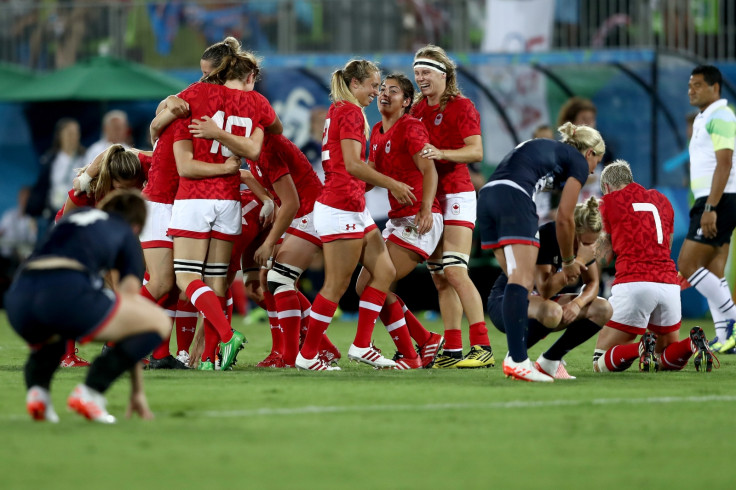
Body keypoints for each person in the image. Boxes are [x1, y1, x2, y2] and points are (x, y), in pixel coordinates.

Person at [5, 190, 170, 423]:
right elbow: (132, 309)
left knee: (55, 331)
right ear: (136, 226)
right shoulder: (126, 232)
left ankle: (38, 394)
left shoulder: (78, 216)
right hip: (65, 290)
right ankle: (91, 392)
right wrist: (137, 391)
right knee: (158, 322)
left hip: (18, 297)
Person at [295, 59, 414, 371]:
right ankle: (307, 356)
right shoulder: (348, 111)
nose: (377, 91)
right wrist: (392, 183)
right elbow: (351, 164)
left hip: (352, 205)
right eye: (374, 85)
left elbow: (350, 167)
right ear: (355, 84)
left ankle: (362, 345)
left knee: (385, 272)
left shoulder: (343, 110)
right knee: (336, 284)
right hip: (339, 207)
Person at [169, 39, 280, 371]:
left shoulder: (200, 94)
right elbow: (274, 129)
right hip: (229, 198)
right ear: (250, 75)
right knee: (218, 282)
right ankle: (208, 359)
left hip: (196, 196)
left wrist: (161, 123)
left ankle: (227, 335)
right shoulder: (258, 102)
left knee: (186, 279)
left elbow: (169, 107)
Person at [477, 122, 604, 382]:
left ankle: (519, 358)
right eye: (596, 162)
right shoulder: (577, 162)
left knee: (516, 278)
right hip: (514, 198)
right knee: (521, 281)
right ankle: (518, 360)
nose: (591, 171)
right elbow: (565, 218)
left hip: (488, 198)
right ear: (589, 153)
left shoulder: (549, 151)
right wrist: (569, 261)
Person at [411, 44, 494, 369]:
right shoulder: (417, 110)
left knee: (456, 270)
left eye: (426, 72)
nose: (420, 78)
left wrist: (442, 153)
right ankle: (454, 349)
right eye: (417, 72)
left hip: (458, 194)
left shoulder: (462, 106)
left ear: (444, 74)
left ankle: (483, 345)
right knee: (440, 277)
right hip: (431, 200)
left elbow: (476, 152)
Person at [592, 160, 716, 372]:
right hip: (668, 284)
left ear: (607, 187)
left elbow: (604, 258)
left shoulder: (607, 202)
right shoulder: (662, 200)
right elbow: (665, 246)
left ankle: (639, 348)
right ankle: (691, 344)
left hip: (633, 282)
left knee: (600, 362)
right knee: (662, 359)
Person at [356, 73, 444, 369]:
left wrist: (426, 209)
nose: (384, 93)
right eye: (382, 89)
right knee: (366, 286)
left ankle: (408, 353)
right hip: (397, 220)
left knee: (377, 283)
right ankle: (425, 340)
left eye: (393, 91)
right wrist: (347, 185)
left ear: (407, 102)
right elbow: (372, 174)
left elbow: (429, 170)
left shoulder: (411, 128)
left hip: (419, 219)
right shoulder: (378, 130)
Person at [487, 197, 612, 379]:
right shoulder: (549, 235)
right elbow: (545, 289)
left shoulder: (584, 244)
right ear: (571, 231)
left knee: (603, 308)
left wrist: (577, 303)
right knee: (553, 312)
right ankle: (516, 357)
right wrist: (578, 262)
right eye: (583, 242)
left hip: (540, 303)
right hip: (507, 302)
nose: (585, 247)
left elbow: (593, 283)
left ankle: (550, 361)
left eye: (591, 243)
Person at [677, 64, 736, 355]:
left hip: (719, 199)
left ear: (715, 88)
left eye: (698, 84)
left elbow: (725, 163)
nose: (691, 89)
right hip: (714, 199)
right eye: (690, 85)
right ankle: (726, 337)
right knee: (715, 269)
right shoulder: (705, 117)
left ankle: (734, 322)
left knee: (687, 266)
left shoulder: (722, 115)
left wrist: (710, 207)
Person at [26, 118, 86, 245]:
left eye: (76, 133)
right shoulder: (50, 159)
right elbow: (41, 187)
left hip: (78, 213)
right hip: (54, 213)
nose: (73, 137)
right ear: (60, 135)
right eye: (69, 133)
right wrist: (33, 214)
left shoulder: (85, 158)